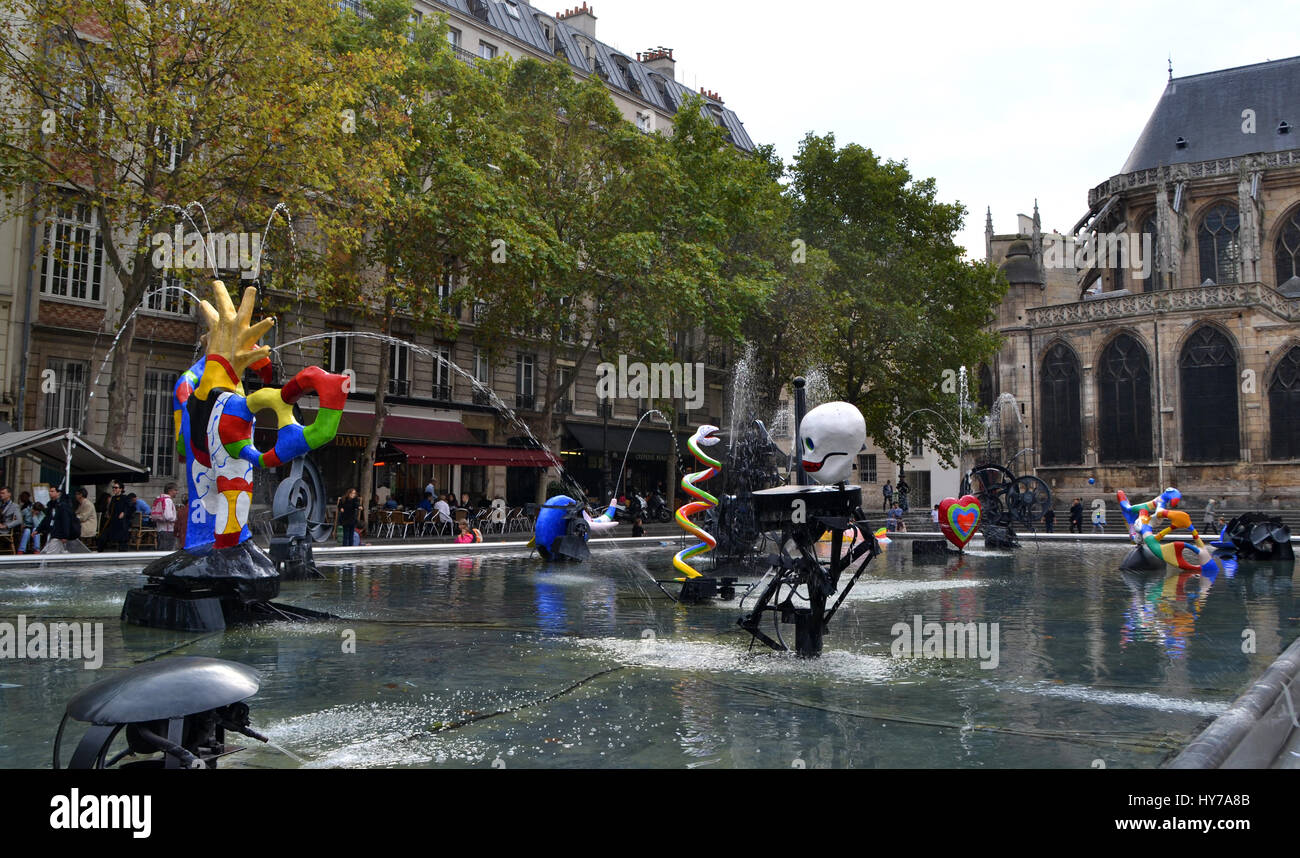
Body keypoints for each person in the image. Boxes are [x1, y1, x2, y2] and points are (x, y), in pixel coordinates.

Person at [38, 484, 79, 552]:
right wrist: (39, 529)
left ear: (58, 493)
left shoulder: (63, 505)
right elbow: (47, 518)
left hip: (58, 533)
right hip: (54, 531)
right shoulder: (52, 504)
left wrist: (65, 535)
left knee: (51, 552)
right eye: (49, 491)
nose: (50, 493)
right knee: (59, 551)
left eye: (52, 491)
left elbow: (66, 521)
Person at [99, 482, 133, 552]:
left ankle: (122, 556)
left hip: (121, 524)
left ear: (121, 489)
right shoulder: (113, 498)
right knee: (103, 537)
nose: (114, 489)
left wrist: (124, 512)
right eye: (113, 487)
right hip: (112, 522)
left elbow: (131, 507)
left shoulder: (125, 498)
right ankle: (99, 552)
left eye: (116, 487)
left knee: (122, 541)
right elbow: (111, 509)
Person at [152, 483, 179, 550]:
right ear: (170, 491)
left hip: (160, 529)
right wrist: (175, 519)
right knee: (167, 551)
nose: (177, 492)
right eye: (175, 490)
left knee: (161, 549)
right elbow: (168, 516)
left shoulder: (158, 499)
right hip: (168, 530)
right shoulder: (168, 500)